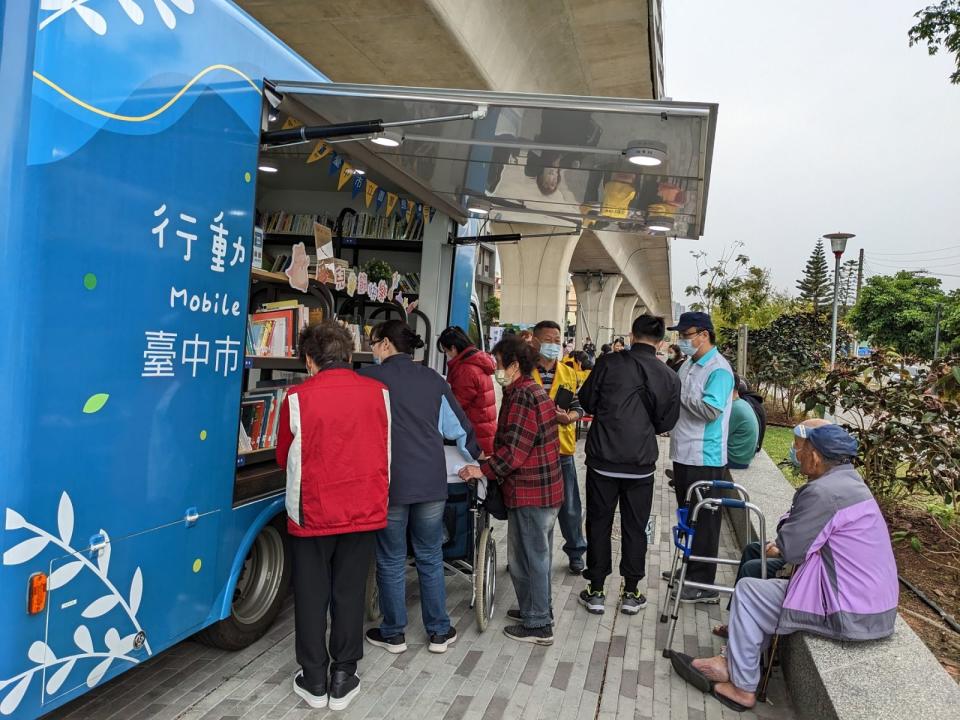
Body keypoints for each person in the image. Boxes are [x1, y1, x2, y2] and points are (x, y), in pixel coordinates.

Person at [674, 425, 898, 712]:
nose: (796, 454)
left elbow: (790, 548)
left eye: (800, 449)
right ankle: (729, 662)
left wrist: (789, 527)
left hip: (849, 611)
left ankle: (741, 687)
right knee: (762, 592)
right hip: (872, 606)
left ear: (815, 457)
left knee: (749, 590)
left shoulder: (823, 493)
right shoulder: (851, 483)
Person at [277, 322, 392, 711]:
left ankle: (313, 679)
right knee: (349, 592)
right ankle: (343, 675)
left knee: (311, 595)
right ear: (347, 355)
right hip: (363, 508)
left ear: (310, 360)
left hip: (313, 510)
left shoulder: (296, 397)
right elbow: (385, 448)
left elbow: (283, 456)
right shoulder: (379, 393)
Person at [360, 320, 481, 656]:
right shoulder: (434, 380)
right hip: (431, 482)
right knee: (430, 555)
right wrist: (474, 461)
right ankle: (439, 632)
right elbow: (461, 429)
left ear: (385, 344)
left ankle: (394, 633)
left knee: (391, 557)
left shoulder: (369, 379)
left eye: (373, 343)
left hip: (390, 483)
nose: (372, 349)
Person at [459, 335, 563, 645]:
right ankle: (537, 609)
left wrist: (484, 469)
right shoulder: (529, 390)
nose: (496, 370)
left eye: (499, 364)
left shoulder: (521, 396)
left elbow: (515, 450)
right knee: (536, 555)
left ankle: (538, 624)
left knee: (529, 558)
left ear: (515, 365)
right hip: (542, 489)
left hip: (531, 491)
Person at [577, 315, 681, 614]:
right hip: (641, 463)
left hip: (603, 461)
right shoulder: (669, 375)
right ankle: (631, 592)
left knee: (599, 522)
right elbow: (666, 422)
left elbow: (587, 402)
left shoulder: (608, 363)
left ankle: (596, 590)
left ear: (632, 335)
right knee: (636, 527)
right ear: (661, 342)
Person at [711, 418, 831, 639]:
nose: (794, 450)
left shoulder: (825, 491)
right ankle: (737, 621)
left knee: (753, 569)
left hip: (807, 564)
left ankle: (741, 636)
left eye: (798, 445)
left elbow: (808, 538)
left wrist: (781, 548)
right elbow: (794, 519)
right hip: (797, 550)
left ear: (815, 453)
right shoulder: (817, 480)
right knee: (752, 550)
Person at [664, 312, 735, 604]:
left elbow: (710, 411)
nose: (682, 340)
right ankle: (690, 570)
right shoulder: (690, 364)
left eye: (686, 334)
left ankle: (703, 583)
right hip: (685, 455)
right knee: (689, 518)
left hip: (705, 458)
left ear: (704, 334)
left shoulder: (718, 369)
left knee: (705, 521)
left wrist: (677, 394)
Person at [532, 320, 588, 574]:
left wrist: (571, 418)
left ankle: (576, 551)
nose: (553, 344)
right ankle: (526, 554)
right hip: (530, 449)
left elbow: (578, 406)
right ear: (535, 341)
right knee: (529, 507)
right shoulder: (521, 370)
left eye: (557, 340)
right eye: (548, 339)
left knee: (570, 506)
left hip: (561, 449)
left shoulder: (568, 373)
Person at [438, 326, 496, 456]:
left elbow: (456, 406)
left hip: (474, 436)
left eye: (446, 350)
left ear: (453, 348)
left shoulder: (465, 370)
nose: (447, 355)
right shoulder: (477, 362)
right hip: (484, 431)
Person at [726, 374, 760, 470]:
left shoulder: (733, 408)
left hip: (735, 460)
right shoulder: (742, 403)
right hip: (743, 458)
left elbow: (720, 436)